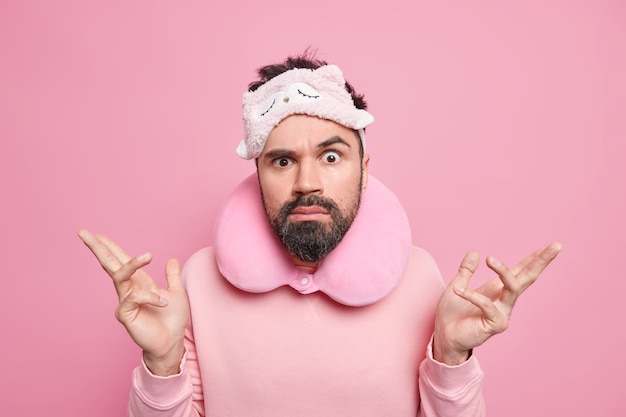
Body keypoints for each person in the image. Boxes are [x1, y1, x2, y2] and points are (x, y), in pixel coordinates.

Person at [78, 51, 562, 417]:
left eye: (331, 157)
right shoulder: (198, 282)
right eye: (282, 160)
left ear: (364, 169)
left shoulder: (421, 279)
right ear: (258, 171)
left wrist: (452, 358)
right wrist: (162, 363)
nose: (307, 182)